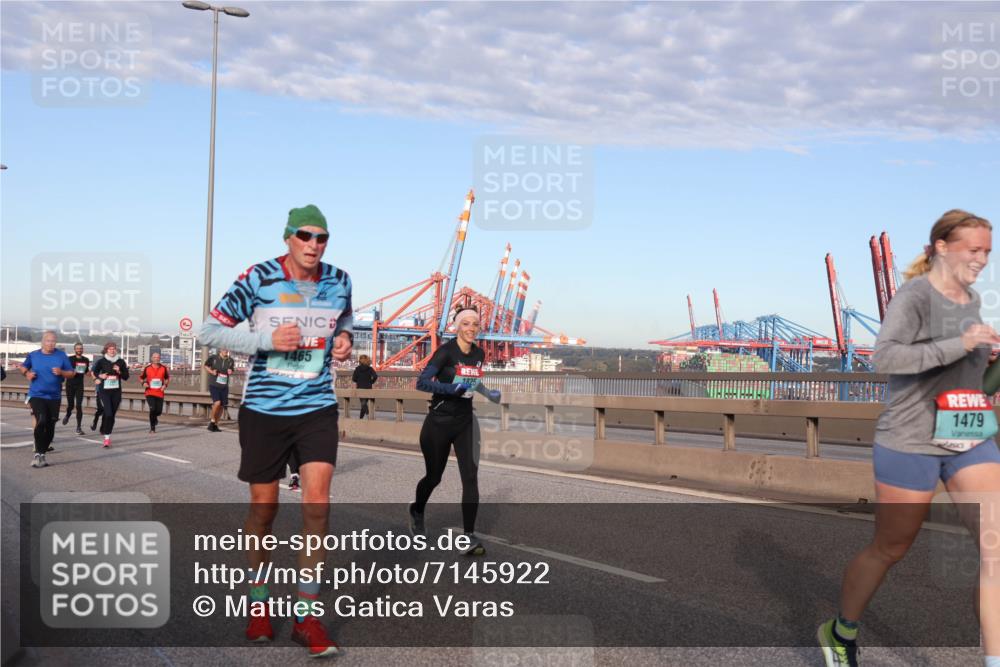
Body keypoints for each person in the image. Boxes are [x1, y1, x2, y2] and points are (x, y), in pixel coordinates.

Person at [818, 210, 1000, 667]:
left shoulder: (970, 300)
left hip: (966, 430)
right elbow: (886, 357)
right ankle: (841, 631)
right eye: (973, 249)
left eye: (987, 252)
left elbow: (964, 378)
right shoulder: (914, 297)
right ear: (941, 246)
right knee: (891, 547)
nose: (981, 259)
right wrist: (959, 346)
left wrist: (986, 358)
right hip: (912, 437)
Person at [200, 204, 353, 657]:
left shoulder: (339, 280)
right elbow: (210, 331)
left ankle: (307, 618)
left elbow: (344, 323)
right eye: (305, 236)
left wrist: (345, 340)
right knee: (264, 509)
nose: (313, 244)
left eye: (322, 237)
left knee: (318, 504)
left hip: (317, 406)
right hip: (264, 410)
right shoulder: (258, 277)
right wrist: (264, 341)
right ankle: (259, 602)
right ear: (288, 237)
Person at [408, 306, 501, 556]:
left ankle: (469, 537)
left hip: (465, 422)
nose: (471, 329)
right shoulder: (446, 352)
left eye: (475, 325)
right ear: (457, 327)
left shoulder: (479, 353)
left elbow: (472, 380)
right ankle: (417, 510)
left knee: (470, 477)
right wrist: (451, 390)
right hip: (439, 422)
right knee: (433, 478)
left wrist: (487, 393)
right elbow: (422, 382)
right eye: (466, 324)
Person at [20, 331, 74, 468]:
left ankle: (42, 453)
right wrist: (27, 373)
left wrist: (61, 372)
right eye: (49, 341)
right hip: (37, 394)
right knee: (41, 420)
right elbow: (23, 367)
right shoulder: (33, 355)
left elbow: (72, 373)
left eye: (54, 341)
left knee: (51, 424)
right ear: (43, 342)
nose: (51, 343)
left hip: (54, 396)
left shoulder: (61, 356)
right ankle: (38, 453)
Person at [91, 342, 129, 448]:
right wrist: (98, 377)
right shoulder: (102, 361)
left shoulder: (120, 362)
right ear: (106, 350)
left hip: (116, 392)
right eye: (110, 349)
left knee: (112, 415)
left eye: (114, 349)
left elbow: (126, 377)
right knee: (108, 413)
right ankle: (106, 439)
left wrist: (120, 371)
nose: (112, 351)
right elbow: (93, 372)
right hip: (104, 392)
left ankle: (107, 433)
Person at [62, 342, 90, 435]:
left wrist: (92, 375)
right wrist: (71, 372)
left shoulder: (86, 360)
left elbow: (86, 371)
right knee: (71, 405)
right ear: (75, 349)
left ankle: (78, 427)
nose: (79, 350)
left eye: (81, 348)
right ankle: (68, 415)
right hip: (70, 385)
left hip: (79, 385)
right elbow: (65, 370)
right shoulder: (70, 359)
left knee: (79, 406)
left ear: (83, 349)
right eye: (78, 348)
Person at [204, 348, 235, 432]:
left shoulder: (230, 360)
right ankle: (212, 421)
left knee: (222, 406)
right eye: (224, 349)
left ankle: (216, 425)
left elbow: (232, 370)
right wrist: (211, 372)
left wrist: (230, 371)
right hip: (214, 384)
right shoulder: (213, 358)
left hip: (224, 386)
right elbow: (205, 366)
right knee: (217, 403)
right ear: (220, 350)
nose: (226, 351)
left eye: (227, 350)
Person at [140, 352, 170, 434]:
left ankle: (155, 417)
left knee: (159, 411)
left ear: (159, 358)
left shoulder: (163, 368)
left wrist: (165, 385)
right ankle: (152, 428)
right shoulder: (147, 368)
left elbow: (167, 378)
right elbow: (141, 378)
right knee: (152, 409)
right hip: (149, 392)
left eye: (158, 357)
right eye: (155, 357)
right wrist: (143, 383)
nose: (156, 359)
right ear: (151, 358)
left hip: (160, 392)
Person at [352, 354, 378, 419]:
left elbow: (354, 379)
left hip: (360, 388)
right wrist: (371, 382)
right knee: (364, 404)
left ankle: (367, 414)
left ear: (360, 361)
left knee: (363, 404)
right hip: (368, 388)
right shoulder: (370, 369)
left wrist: (358, 380)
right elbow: (375, 376)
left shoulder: (357, 369)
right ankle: (361, 418)